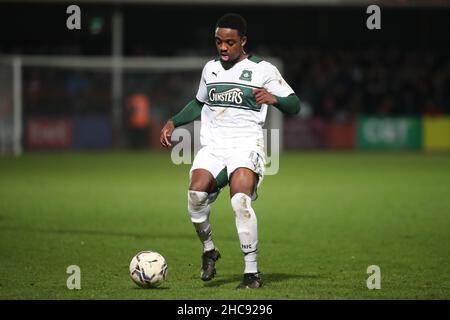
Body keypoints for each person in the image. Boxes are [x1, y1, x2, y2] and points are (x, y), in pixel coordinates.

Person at [160, 13, 300, 289]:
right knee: (196, 194)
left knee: (240, 201)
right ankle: (209, 250)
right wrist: (173, 121)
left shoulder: (263, 70)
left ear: (243, 41)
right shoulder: (209, 68)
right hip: (213, 147)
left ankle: (251, 274)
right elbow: (199, 103)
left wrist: (274, 99)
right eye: (218, 41)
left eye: (230, 42)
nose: (223, 47)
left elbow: (294, 105)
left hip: (247, 145)